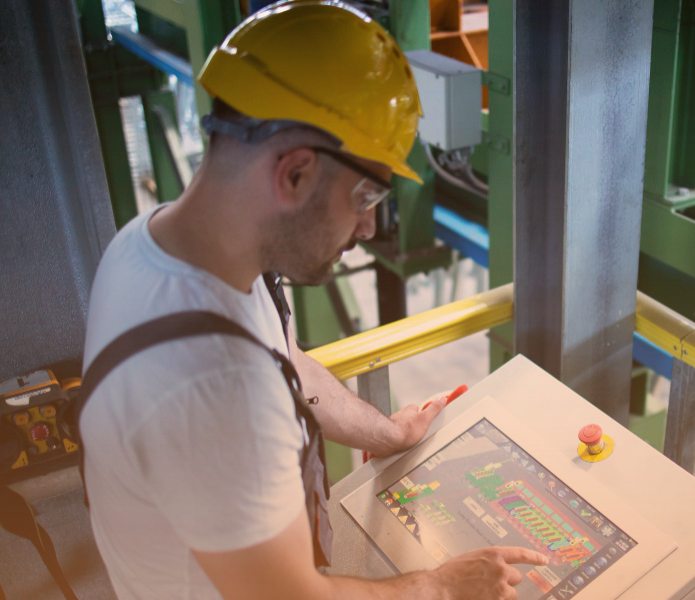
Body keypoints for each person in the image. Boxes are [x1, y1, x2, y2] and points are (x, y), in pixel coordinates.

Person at [78, 2, 546, 599]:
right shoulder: (212, 386)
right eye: (367, 195)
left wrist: (386, 433)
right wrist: (443, 587)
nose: (369, 230)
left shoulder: (154, 246)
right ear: (295, 174)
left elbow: (287, 361)